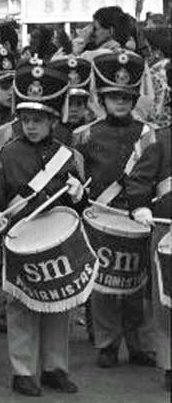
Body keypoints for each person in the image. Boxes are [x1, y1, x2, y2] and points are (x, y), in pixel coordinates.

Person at [0, 61, 86, 397]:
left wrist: (79, 195)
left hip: (57, 240)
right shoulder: (5, 154)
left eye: (38, 120)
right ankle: (23, 371)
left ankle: (55, 368)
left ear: (53, 121)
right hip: (21, 237)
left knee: (59, 305)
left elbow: (78, 205)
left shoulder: (68, 156)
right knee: (21, 305)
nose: (31, 126)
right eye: (26, 119)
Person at [73, 50, 157, 368]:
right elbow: (77, 175)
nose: (120, 102)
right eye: (113, 96)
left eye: (126, 97)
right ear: (102, 99)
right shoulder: (86, 135)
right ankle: (107, 343)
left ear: (134, 99)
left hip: (138, 216)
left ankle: (139, 344)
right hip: (101, 215)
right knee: (103, 284)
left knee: (139, 284)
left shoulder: (148, 135)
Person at [126, 61, 172, 392]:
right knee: (167, 303)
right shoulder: (159, 139)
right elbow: (139, 180)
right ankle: (170, 364)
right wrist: (140, 205)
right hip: (168, 232)